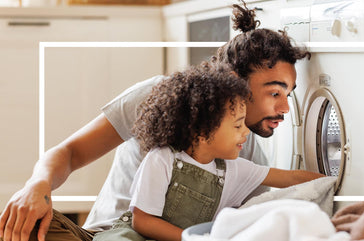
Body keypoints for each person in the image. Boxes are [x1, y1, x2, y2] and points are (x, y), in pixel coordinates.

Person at [0, 1, 310, 241]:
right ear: (235, 82)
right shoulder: (159, 97)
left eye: (289, 94)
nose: (284, 107)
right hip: (105, 235)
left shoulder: (247, 153)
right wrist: (36, 185)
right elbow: (71, 152)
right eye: (274, 93)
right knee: (24, 225)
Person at [92, 63, 323, 241]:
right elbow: (142, 221)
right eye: (237, 125)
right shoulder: (161, 159)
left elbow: (290, 178)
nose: (246, 132)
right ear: (202, 131)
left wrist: (336, 182)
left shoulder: (234, 169)